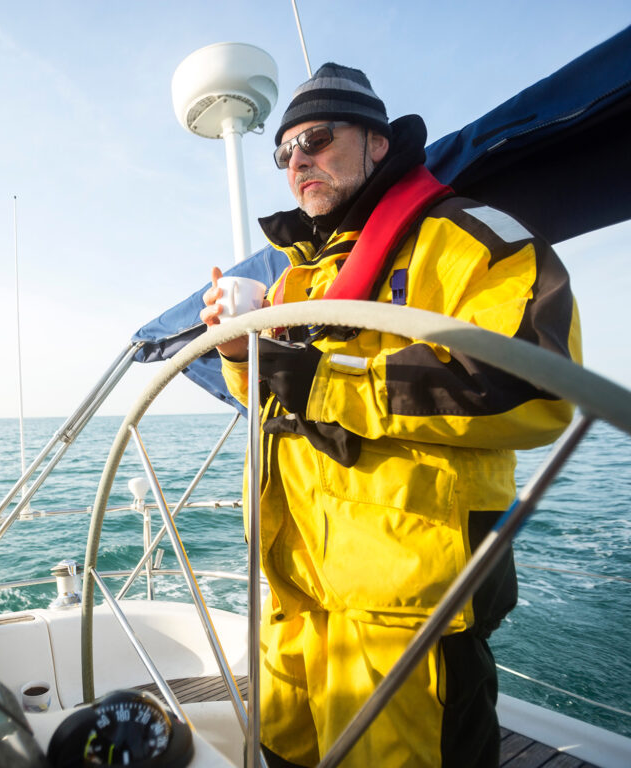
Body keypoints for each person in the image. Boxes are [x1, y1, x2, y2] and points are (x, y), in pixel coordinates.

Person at [200, 64, 581, 768]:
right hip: (295, 595)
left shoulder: (469, 239)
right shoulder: (293, 278)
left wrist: (320, 381)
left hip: (409, 609)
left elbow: (534, 386)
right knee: (282, 754)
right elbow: (273, 398)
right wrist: (237, 352)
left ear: (378, 142)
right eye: (284, 152)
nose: (298, 161)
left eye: (316, 138)